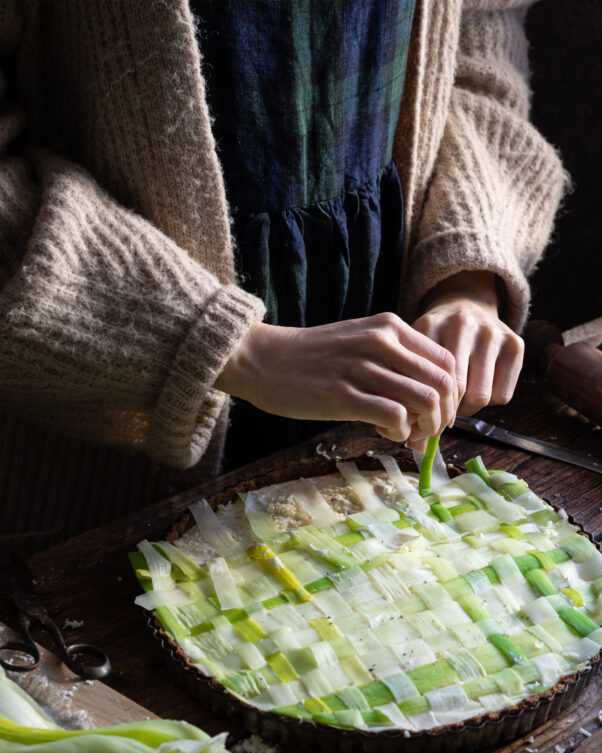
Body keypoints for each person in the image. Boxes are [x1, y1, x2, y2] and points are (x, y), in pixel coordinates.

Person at [0, 0, 566, 557]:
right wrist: (230, 349)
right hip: (98, 443)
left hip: (380, 336)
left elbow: (480, 43)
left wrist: (464, 275)